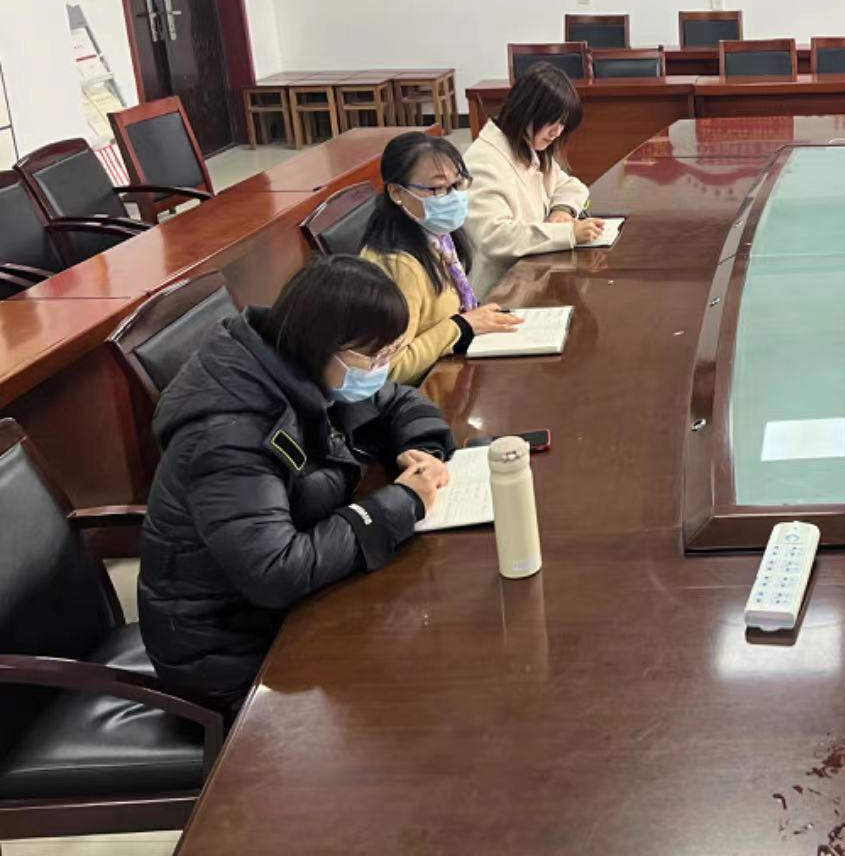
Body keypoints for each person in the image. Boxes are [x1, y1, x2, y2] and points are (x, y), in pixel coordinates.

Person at [138, 255, 455, 716]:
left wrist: (419, 446)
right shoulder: (228, 435)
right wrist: (399, 504)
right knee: (408, 694)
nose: (381, 368)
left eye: (389, 353)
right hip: (230, 657)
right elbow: (274, 571)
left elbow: (396, 400)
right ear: (323, 344)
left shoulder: (305, 366)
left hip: (288, 613)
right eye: (374, 357)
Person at [359, 131, 522, 383]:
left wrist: (474, 317)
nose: (453, 197)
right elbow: (388, 370)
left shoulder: (435, 235)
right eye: (437, 189)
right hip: (423, 390)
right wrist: (461, 327)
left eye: (457, 184)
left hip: (451, 368)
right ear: (397, 193)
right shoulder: (398, 266)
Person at [464, 62, 604, 296]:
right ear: (526, 111)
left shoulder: (527, 147)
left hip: (536, 273)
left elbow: (571, 186)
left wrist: (561, 211)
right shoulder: (484, 161)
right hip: (501, 291)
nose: (557, 132)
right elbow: (495, 237)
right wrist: (568, 234)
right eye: (553, 122)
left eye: (563, 124)